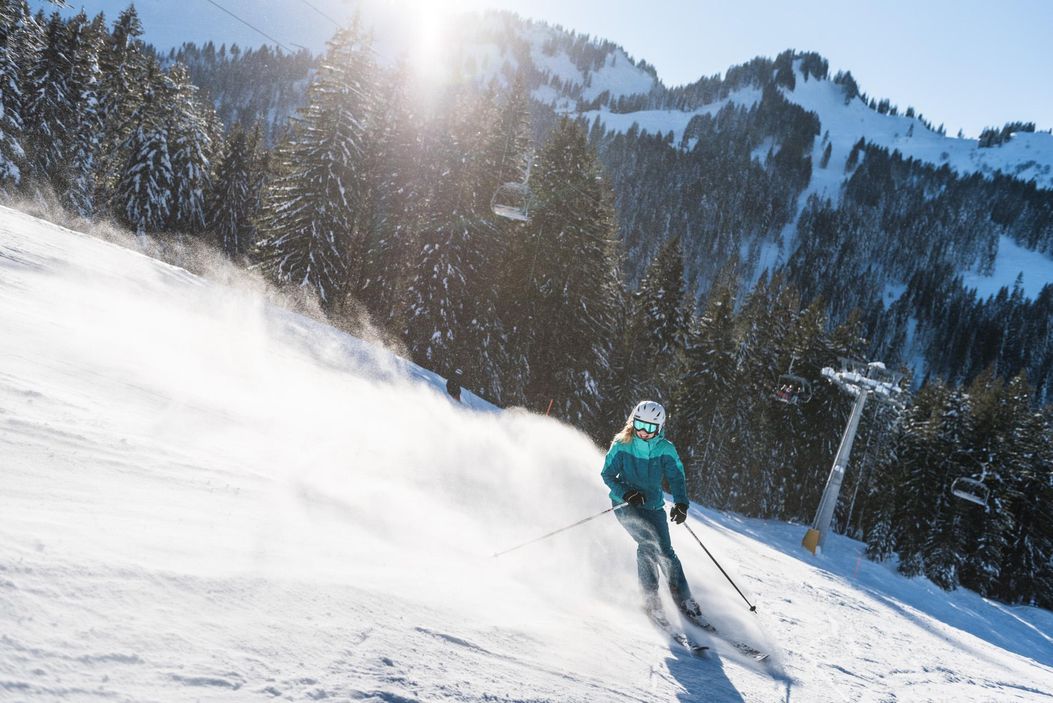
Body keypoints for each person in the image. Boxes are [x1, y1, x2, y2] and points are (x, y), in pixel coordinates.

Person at [601, 400, 703, 620]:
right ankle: (650, 600)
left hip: (654, 505)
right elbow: (607, 475)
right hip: (625, 504)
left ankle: (683, 598)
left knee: (665, 551)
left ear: (660, 427)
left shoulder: (665, 449)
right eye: (640, 425)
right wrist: (626, 492)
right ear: (633, 421)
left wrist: (681, 503)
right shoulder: (622, 444)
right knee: (648, 542)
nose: (644, 432)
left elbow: (676, 476)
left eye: (650, 428)